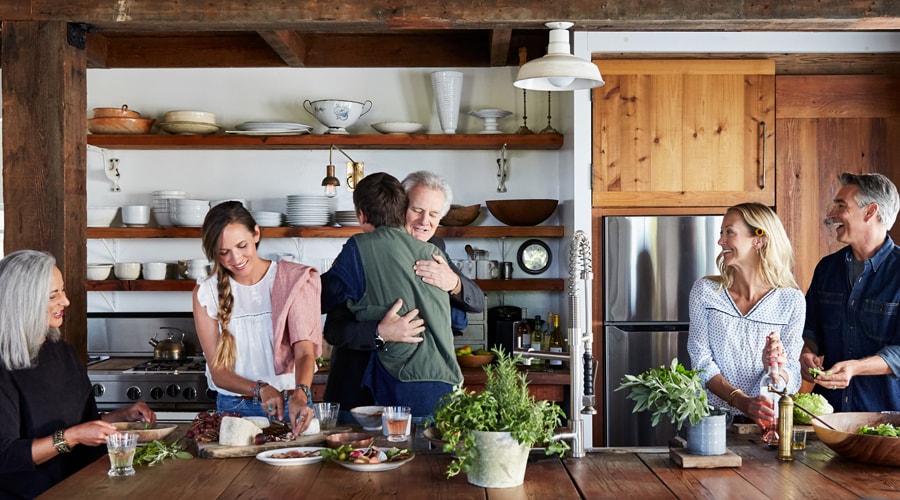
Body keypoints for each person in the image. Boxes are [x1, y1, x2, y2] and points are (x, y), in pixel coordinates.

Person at [322, 171, 484, 422]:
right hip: (356, 387)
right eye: (417, 210)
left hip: (416, 386)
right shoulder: (360, 253)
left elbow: (463, 314)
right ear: (399, 206)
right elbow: (334, 328)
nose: (424, 221)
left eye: (434, 215)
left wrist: (454, 284)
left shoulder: (435, 252)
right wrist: (379, 331)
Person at [0, 250, 155, 498]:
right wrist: (71, 437)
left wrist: (120, 417)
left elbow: (83, 424)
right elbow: (6, 456)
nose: (66, 301)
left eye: (62, 291)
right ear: (23, 301)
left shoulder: (63, 353)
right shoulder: (4, 367)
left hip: (80, 487)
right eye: (54, 295)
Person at [193, 201, 322, 434]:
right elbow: (219, 373)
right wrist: (260, 388)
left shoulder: (290, 279)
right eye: (224, 253)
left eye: (242, 245)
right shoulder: (207, 292)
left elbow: (305, 351)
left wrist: (302, 392)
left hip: (294, 404)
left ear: (256, 233)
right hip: (236, 408)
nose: (236, 258)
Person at [687, 203, 805, 428]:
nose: (720, 241)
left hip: (765, 426)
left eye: (729, 232)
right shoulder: (705, 291)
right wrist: (740, 401)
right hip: (710, 421)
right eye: (721, 233)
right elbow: (701, 362)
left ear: (758, 239)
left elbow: (793, 374)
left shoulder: (791, 300)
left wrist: (776, 370)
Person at [801, 172, 900, 412]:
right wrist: (807, 353)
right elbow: (810, 329)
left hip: (884, 421)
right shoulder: (826, 269)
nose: (831, 214)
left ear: (870, 212)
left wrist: (856, 368)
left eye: (841, 206)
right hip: (828, 417)